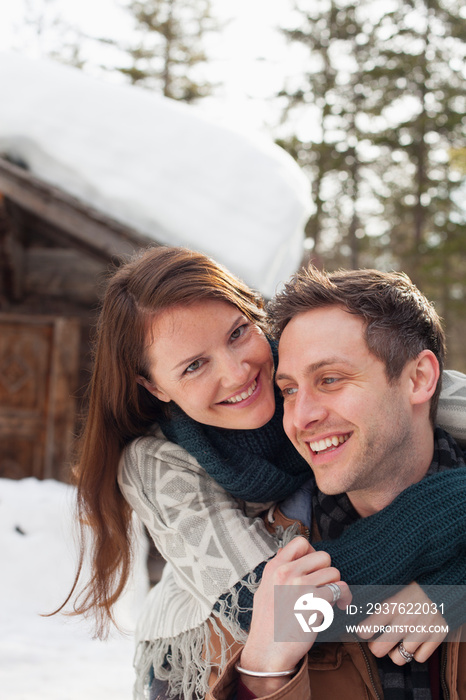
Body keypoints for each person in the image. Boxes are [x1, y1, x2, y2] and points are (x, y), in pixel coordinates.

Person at [63, 247, 466, 700]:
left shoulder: (305, 356)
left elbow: (429, 387)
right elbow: (275, 612)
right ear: (156, 387)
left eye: (237, 333)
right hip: (211, 629)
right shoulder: (157, 462)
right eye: (194, 365)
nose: (238, 373)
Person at [210, 266, 466, 700]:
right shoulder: (260, 576)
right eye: (289, 390)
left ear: (418, 378)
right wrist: (262, 672)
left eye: (330, 379)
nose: (300, 416)